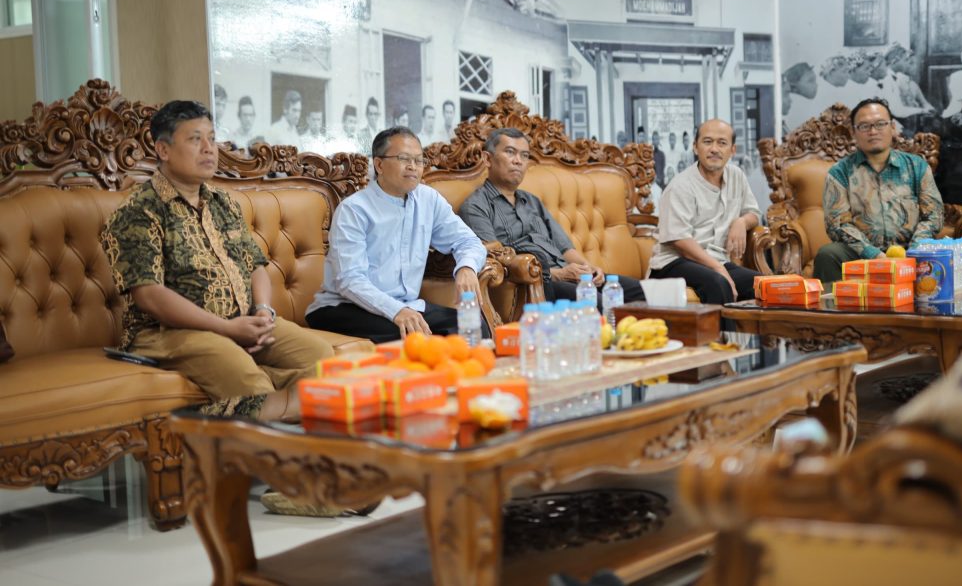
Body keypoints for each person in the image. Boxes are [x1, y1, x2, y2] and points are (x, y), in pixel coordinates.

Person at [101, 100, 331, 419]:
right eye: (195, 139)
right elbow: (150, 296)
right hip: (165, 333)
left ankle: (271, 403)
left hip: (243, 320)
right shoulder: (138, 212)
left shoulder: (223, 202)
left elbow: (256, 265)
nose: (210, 148)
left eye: (212, 137)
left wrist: (263, 311)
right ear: (163, 150)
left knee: (324, 359)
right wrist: (227, 329)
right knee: (253, 387)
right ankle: (235, 416)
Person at [306, 127, 487, 342]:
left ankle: (469, 375)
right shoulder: (354, 210)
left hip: (406, 305)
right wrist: (396, 311)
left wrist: (466, 267)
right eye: (404, 159)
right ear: (379, 164)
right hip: (344, 307)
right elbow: (350, 280)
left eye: (419, 160)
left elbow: (468, 240)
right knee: (410, 335)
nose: (413, 167)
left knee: (472, 325)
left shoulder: (429, 200)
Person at [458, 128, 646, 305]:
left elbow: (564, 248)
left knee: (638, 291)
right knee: (598, 301)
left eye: (524, 155)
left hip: (570, 274)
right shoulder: (476, 206)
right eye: (510, 152)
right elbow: (494, 261)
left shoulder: (531, 201)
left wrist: (589, 268)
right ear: (487, 159)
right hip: (537, 284)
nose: (518, 161)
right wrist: (559, 274)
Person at [812, 97, 944, 284]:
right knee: (828, 254)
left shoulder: (916, 166)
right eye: (864, 126)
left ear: (892, 128)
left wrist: (913, 250)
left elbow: (933, 215)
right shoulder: (840, 172)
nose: (873, 131)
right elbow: (838, 224)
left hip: (912, 250)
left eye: (880, 124)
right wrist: (874, 255)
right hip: (861, 254)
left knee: (944, 251)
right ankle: (836, 311)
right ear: (854, 133)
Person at [648, 119, 761, 304]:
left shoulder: (736, 176)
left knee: (760, 284)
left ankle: (755, 335)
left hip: (716, 260)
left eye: (722, 143)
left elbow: (753, 213)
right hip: (673, 262)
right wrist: (718, 268)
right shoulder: (680, 186)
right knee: (717, 283)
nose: (714, 149)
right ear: (695, 147)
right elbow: (680, 240)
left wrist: (741, 222)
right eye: (707, 142)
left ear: (732, 150)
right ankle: (723, 335)